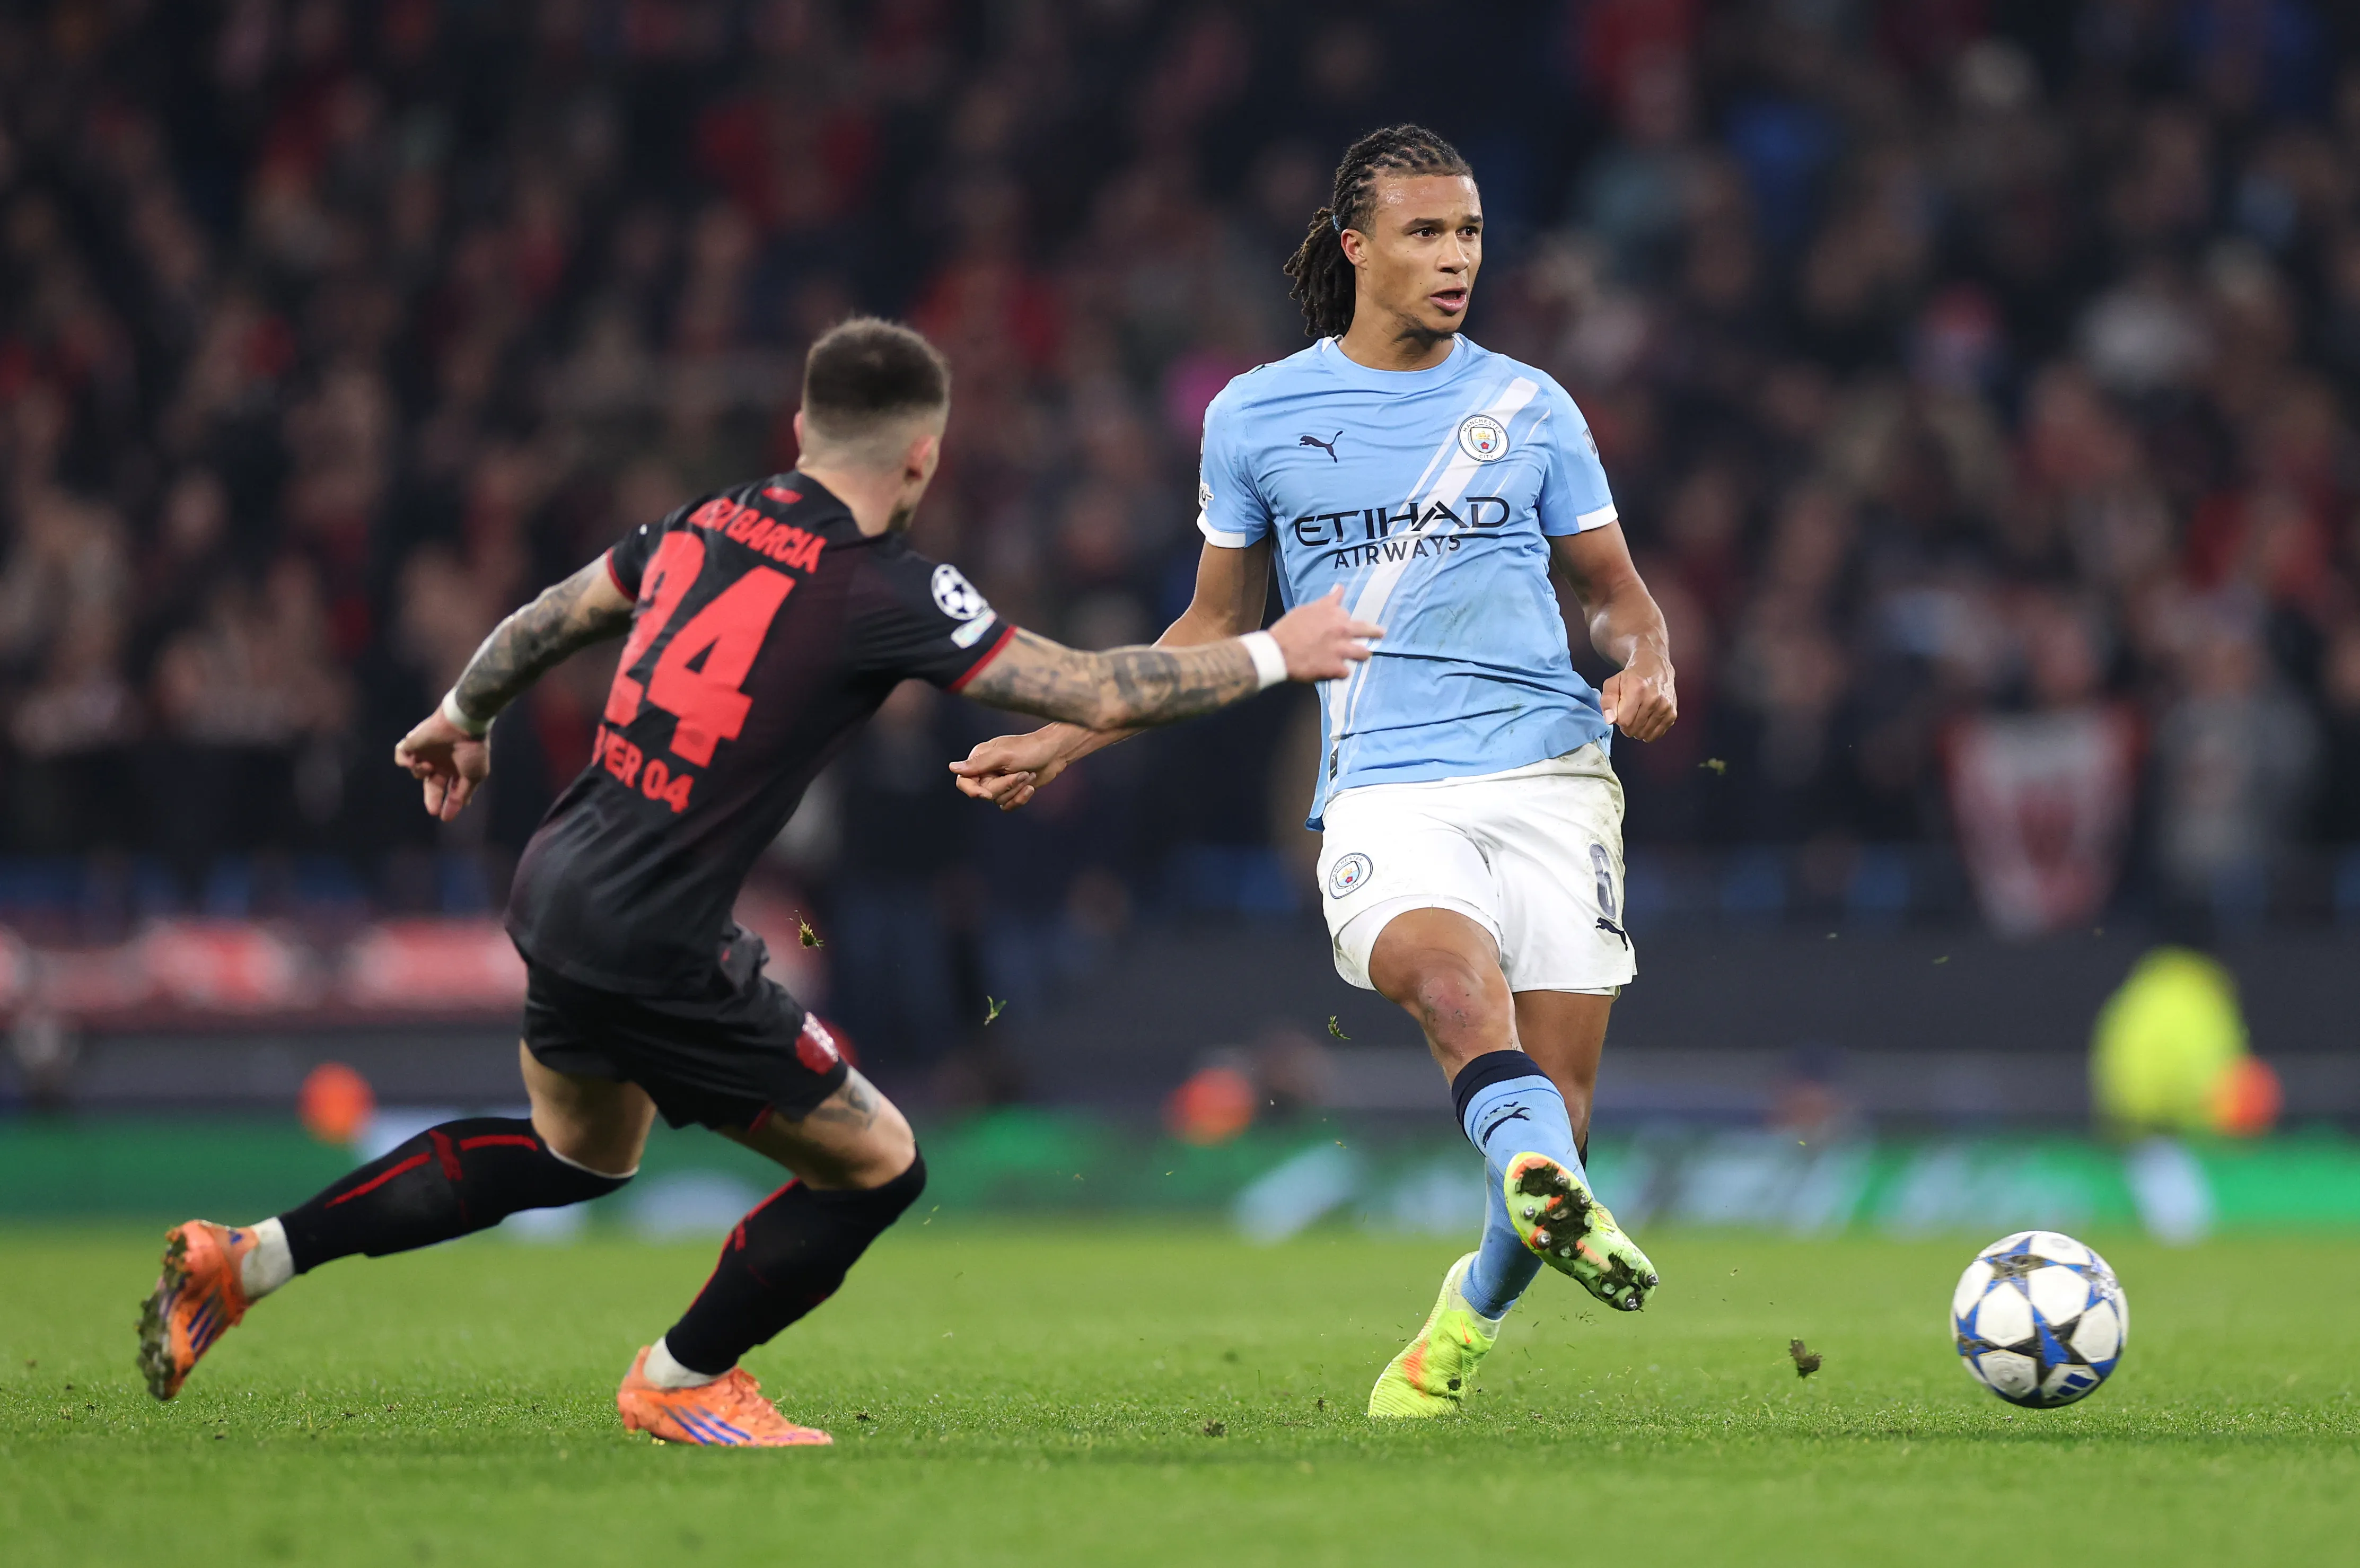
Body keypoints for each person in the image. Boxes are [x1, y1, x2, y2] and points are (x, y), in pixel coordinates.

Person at [136, 318, 1381, 1447]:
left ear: (798, 428)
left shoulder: (704, 522)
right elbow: (1095, 686)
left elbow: (553, 613)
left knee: (578, 1154)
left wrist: (463, 711)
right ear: (923, 458)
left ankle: (246, 1260)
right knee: (882, 1161)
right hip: (656, 935)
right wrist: (1282, 649)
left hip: (560, 883)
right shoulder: (885, 584)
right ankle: (681, 1375)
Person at [953, 126, 1678, 1418]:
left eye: (1466, 234)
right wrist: (1066, 729)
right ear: (1355, 247)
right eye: (1423, 233)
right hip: (1384, 781)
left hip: (1555, 773)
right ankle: (1535, 1190)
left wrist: (1645, 663)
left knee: (1554, 1115)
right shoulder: (1254, 415)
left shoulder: (1531, 406)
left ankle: (1463, 1316)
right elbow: (1206, 628)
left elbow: (1617, 597)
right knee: (1451, 986)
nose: (1455, 258)